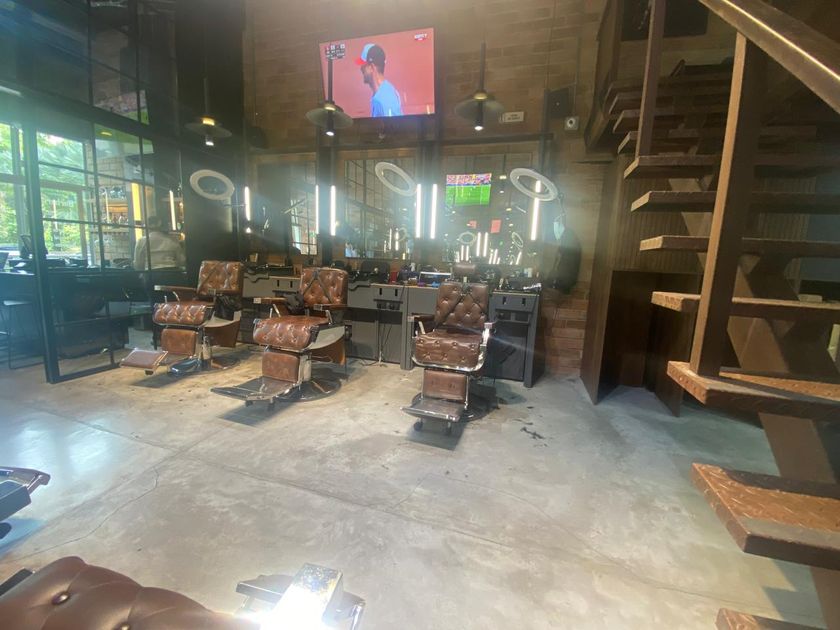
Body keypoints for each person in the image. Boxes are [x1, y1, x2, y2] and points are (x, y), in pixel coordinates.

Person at [356, 43, 403, 117]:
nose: (361, 68)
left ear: (371, 67)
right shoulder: (382, 91)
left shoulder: (385, 99)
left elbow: (393, 124)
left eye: (363, 66)